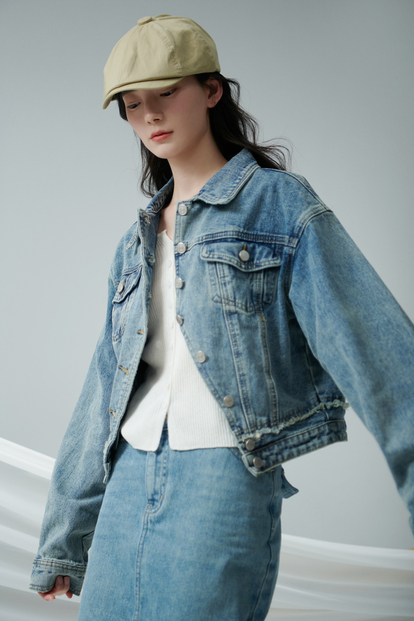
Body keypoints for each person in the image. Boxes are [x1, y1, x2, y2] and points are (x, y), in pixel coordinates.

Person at [29, 14, 414, 620]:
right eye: (133, 104)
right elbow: (104, 390)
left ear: (212, 91)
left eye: (166, 92)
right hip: (127, 480)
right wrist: (65, 535)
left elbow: (379, 355)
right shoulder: (134, 243)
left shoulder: (277, 204)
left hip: (221, 477)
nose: (150, 115)